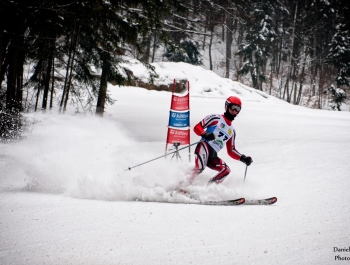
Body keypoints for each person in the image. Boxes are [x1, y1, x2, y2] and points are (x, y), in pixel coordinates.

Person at [184, 96, 253, 187]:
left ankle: (209, 189)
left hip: (213, 155)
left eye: (238, 109)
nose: (235, 111)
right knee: (200, 167)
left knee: (226, 170)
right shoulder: (215, 118)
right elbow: (197, 127)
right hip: (204, 146)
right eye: (233, 107)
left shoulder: (232, 131)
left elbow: (231, 150)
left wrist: (243, 158)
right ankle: (181, 185)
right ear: (227, 106)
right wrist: (205, 134)